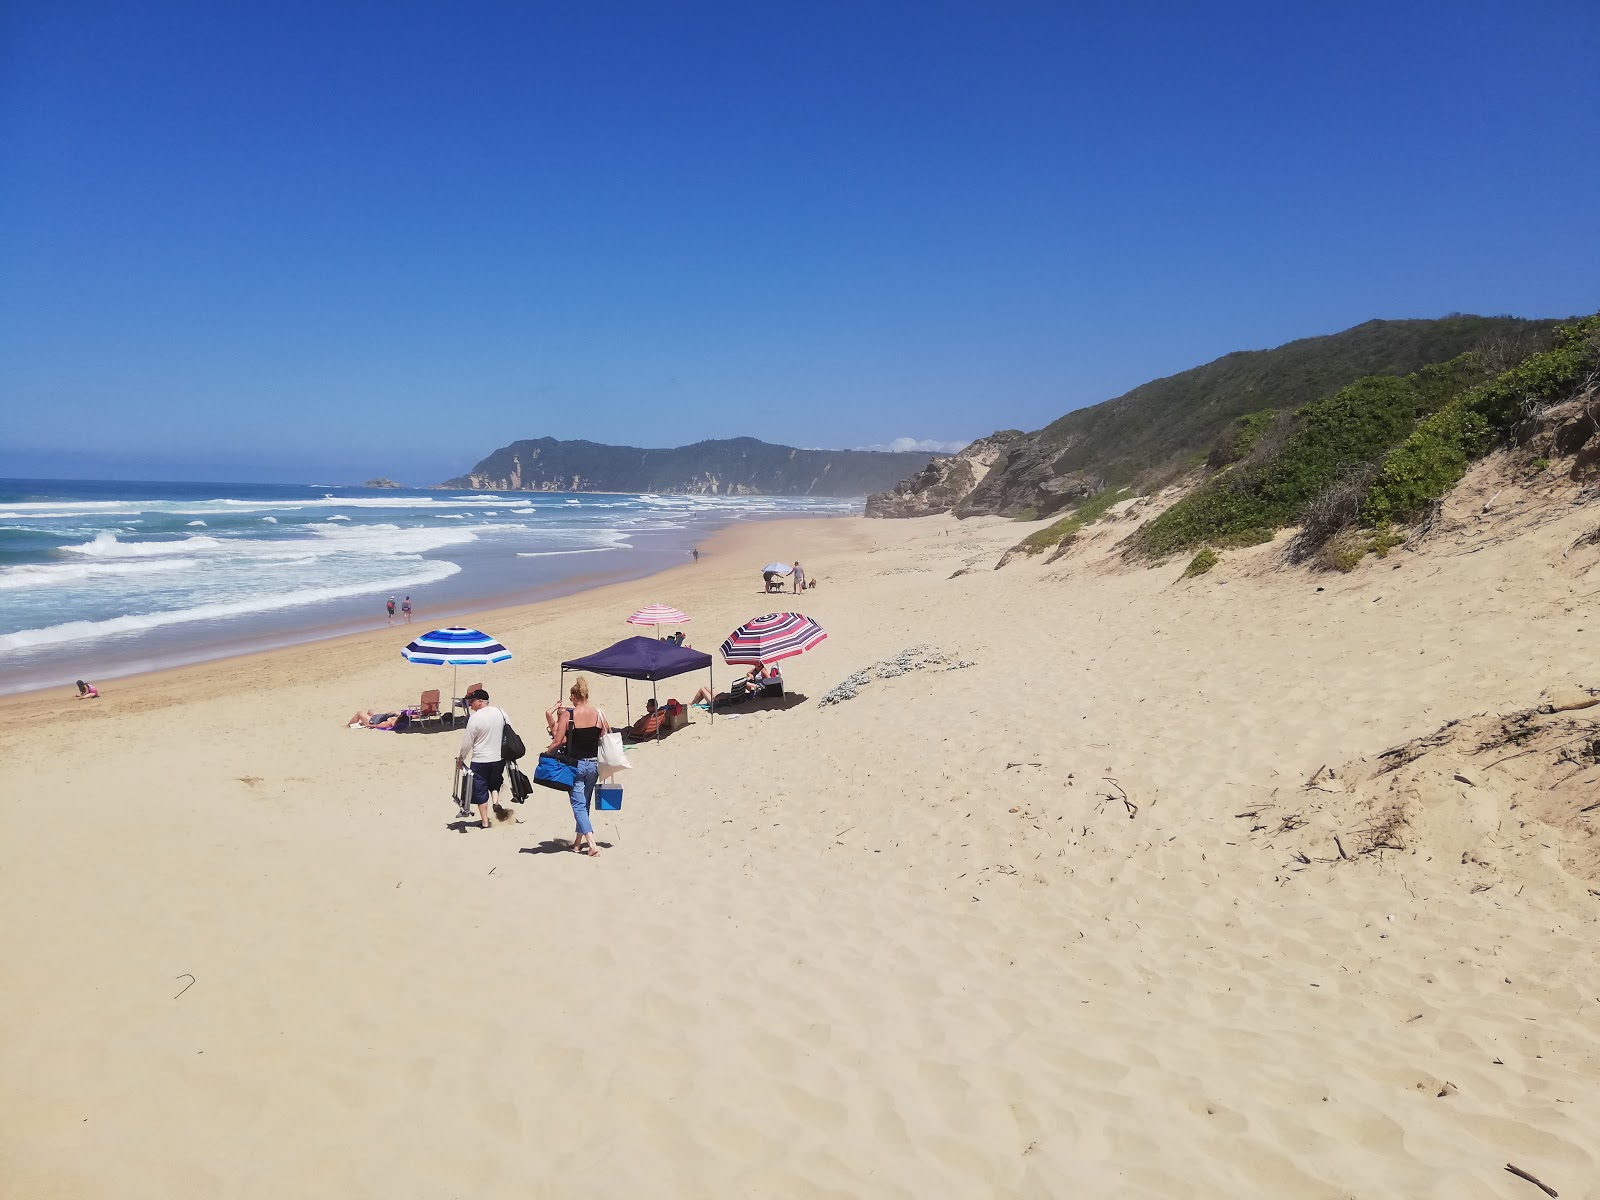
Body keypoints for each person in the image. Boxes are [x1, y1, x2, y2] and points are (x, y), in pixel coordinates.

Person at [547, 676, 609, 856]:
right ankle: (576, 843)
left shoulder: (569, 714)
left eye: (571, 697)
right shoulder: (598, 714)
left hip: (576, 765)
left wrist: (547, 753)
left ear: (575, 696)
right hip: (594, 764)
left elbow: (558, 741)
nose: (570, 700)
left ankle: (592, 845)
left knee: (578, 805)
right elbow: (603, 736)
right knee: (584, 804)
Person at [455, 688, 506, 829]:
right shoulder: (501, 713)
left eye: (471, 701)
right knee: (495, 782)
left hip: (480, 759)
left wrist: (461, 759)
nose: (470, 704)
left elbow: (467, 743)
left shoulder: (475, 718)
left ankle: (484, 822)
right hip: (498, 757)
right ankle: (496, 802)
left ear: (479, 702)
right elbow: (509, 731)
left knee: (480, 789)